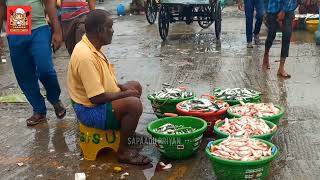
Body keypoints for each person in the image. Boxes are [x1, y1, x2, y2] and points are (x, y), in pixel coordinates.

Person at [67, 9, 152, 165]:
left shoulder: (93, 46)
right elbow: (96, 97)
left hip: (97, 101)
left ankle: (127, 134)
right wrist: (126, 95)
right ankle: (123, 151)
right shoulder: (85, 56)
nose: (112, 31)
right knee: (133, 104)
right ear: (100, 30)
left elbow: (102, 80)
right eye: (110, 27)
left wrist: (123, 88)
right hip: (89, 111)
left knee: (135, 86)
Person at [0, 0, 66, 126]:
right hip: (16, 29)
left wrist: (57, 30)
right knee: (24, 74)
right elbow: (2, 6)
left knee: (45, 70)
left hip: (39, 29)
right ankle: (39, 110)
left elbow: (49, 3)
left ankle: (54, 99)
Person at [262, 0, 298, 78]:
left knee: (287, 35)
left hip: (289, 8)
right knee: (271, 34)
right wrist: (265, 11)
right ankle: (266, 55)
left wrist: (283, 11)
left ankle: (281, 68)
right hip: (273, 7)